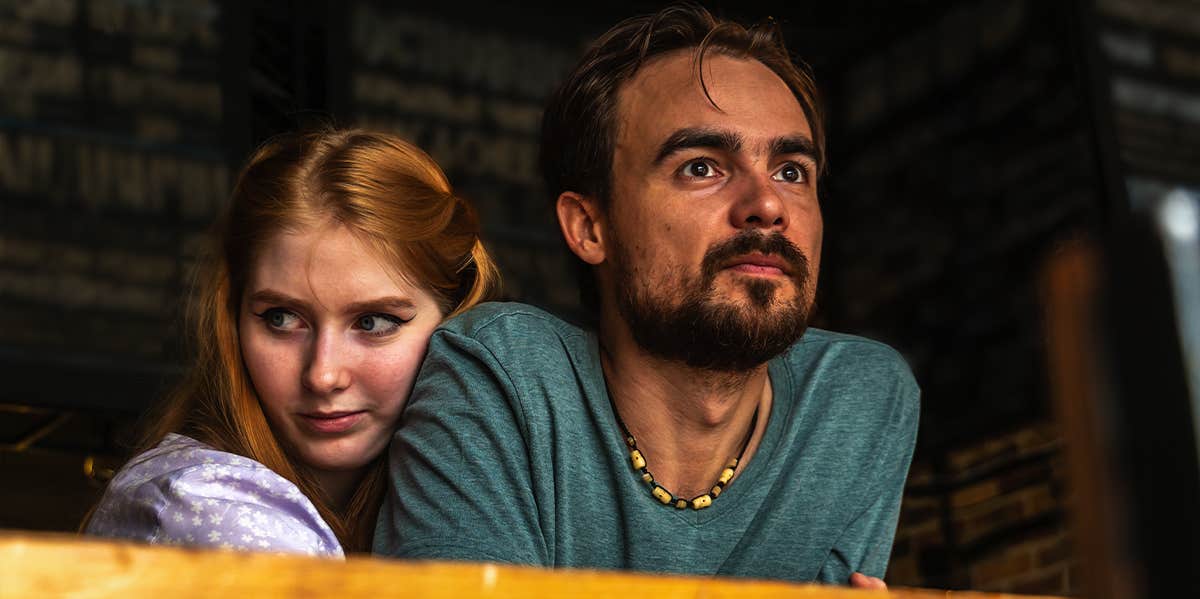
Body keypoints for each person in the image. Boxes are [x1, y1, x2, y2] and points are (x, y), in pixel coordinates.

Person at [374, 5, 918, 588]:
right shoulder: (500, 376)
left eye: (791, 171)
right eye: (702, 166)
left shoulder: (860, 399)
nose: (768, 204)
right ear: (590, 227)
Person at [84, 129, 498, 556]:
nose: (323, 374)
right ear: (233, 317)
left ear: (452, 322)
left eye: (373, 322)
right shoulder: (206, 510)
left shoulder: (440, 510)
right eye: (281, 319)